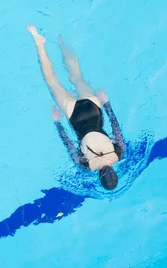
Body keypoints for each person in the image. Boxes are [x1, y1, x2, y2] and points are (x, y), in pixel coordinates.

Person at [27, 24, 125, 190]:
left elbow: (116, 128)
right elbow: (69, 144)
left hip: (94, 108)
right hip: (74, 116)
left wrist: (106, 104)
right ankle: (40, 44)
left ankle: (61, 40)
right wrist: (58, 123)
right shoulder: (86, 166)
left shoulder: (118, 154)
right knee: (52, 81)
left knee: (76, 75)